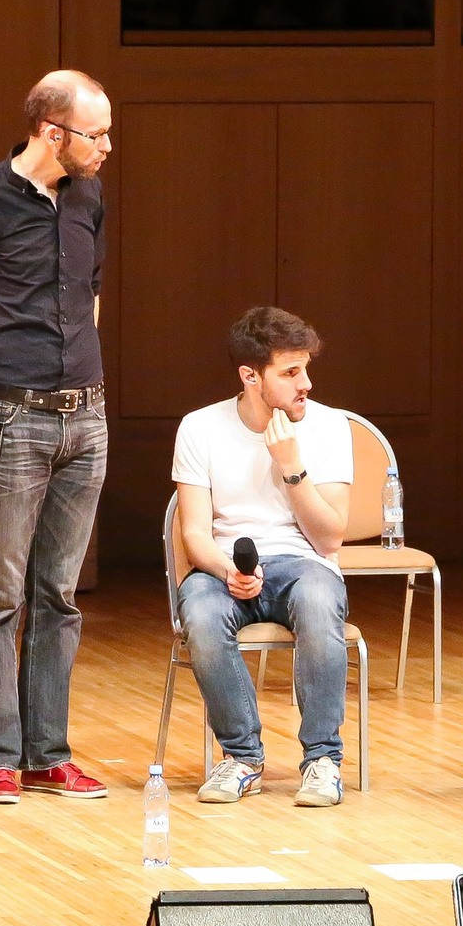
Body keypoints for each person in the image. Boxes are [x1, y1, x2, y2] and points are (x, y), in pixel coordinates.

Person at [0, 70, 114, 805]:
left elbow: (91, 292)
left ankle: (49, 753)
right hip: (10, 415)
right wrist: (9, 352)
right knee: (0, 594)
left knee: (59, 595)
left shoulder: (90, 198)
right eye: (95, 134)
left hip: (87, 415)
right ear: (53, 133)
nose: (106, 147)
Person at [171, 307, 356, 808]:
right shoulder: (199, 427)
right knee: (204, 615)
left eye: (306, 369)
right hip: (224, 564)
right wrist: (226, 570)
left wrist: (292, 468)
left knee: (319, 606)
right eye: (290, 372)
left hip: (304, 562)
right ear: (250, 376)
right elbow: (194, 532)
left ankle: (322, 760)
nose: (306, 384)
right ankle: (242, 757)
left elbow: (330, 539)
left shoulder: (330, 426)